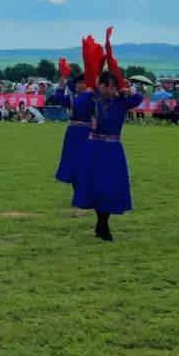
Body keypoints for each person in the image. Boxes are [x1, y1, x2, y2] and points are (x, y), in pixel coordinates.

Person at [71, 71, 143, 241]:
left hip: (113, 149)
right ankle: (102, 225)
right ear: (100, 85)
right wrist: (90, 90)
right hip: (95, 148)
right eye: (107, 86)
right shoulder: (92, 100)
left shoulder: (120, 102)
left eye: (113, 86)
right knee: (98, 187)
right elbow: (78, 106)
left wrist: (128, 88)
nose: (110, 90)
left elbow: (138, 98)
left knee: (110, 187)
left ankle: (102, 224)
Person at [55, 75, 95, 192]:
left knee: (86, 160)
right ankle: (77, 189)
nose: (80, 85)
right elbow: (58, 99)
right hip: (73, 133)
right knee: (73, 161)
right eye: (78, 82)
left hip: (88, 132)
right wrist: (61, 83)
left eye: (83, 83)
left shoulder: (92, 98)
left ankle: (88, 189)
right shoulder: (71, 98)